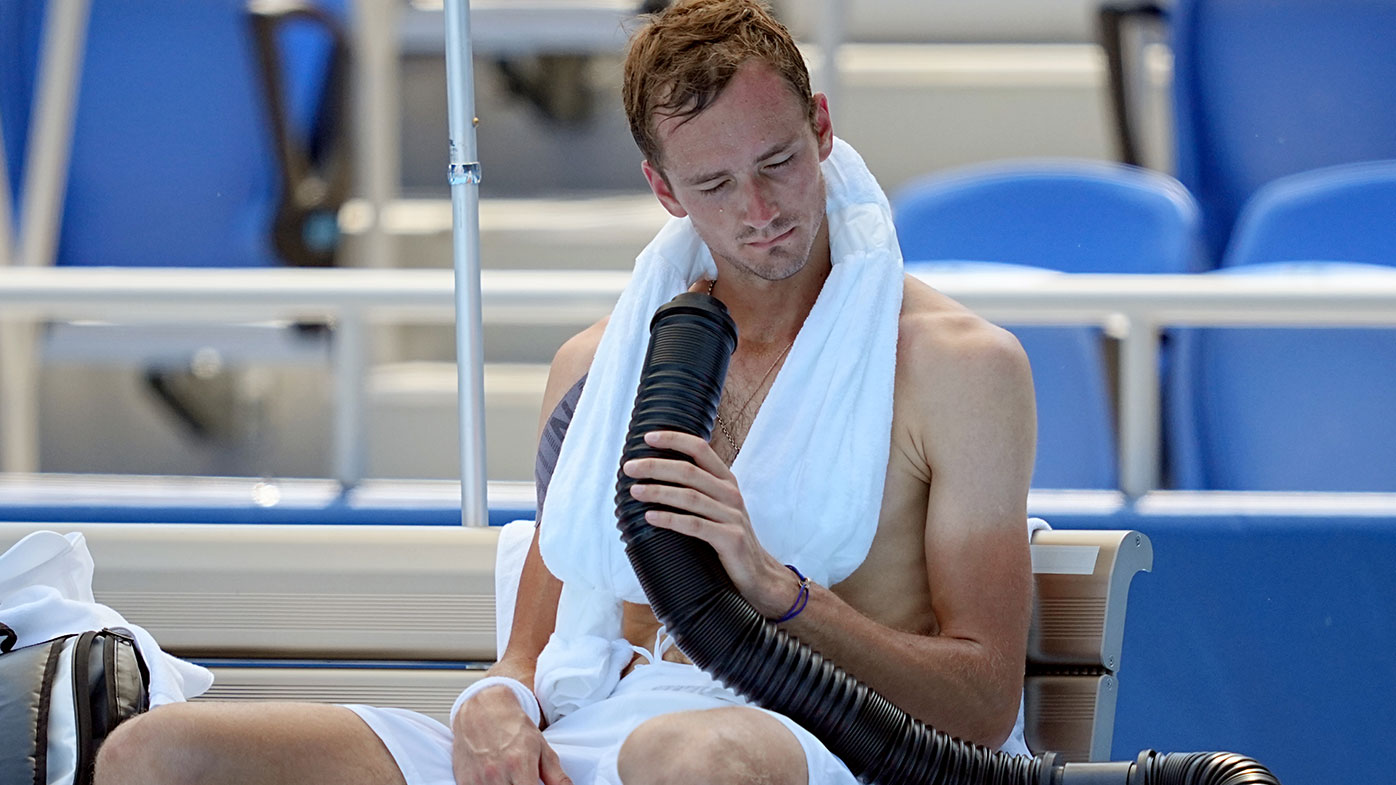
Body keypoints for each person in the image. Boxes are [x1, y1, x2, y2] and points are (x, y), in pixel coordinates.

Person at [94, 2, 1035, 784]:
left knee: (690, 755)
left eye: (780, 163)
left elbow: (984, 706)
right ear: (663, 191)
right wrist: (495, 705)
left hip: (795, 743)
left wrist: (777, 593)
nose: (759, 212)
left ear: (822, 127)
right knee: (160, 752)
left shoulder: (958, 368)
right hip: (596, 725)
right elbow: (529, 654)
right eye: (714, 182)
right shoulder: (600, 363)